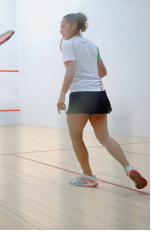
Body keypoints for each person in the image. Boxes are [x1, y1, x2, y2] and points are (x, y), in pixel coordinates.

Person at [57, 13, 147, 189]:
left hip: (80, 95)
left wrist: (61, 95)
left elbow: (70, 71)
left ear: (74, 26)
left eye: (63, 26)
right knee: (104, 137)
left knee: (76, 136)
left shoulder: (68, 44)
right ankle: (129, 168)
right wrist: (90, 77)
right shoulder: (92, 45)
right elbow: (103, 71)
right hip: (98, 93)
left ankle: (89, 177)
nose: (60, 30)